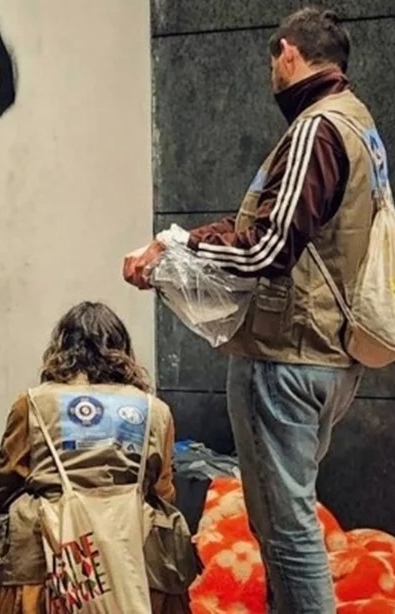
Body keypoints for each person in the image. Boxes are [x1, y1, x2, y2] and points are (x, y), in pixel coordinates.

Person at [124, 8, 376, 613]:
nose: (272, 74)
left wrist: (175, 249)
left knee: (287, 531)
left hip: (288, 352)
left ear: (288, 54)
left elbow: (268, 246)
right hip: (329, 350)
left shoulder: (317, 130)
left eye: (272, 62)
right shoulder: (359, 123)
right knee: (286, 521)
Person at [0, 302, 198, 614]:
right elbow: (163, 490)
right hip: (138, 560)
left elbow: (6, 484)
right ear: (123, 350)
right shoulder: (154, 410)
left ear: (60, 347)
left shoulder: (32, 403)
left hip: (42, 558)